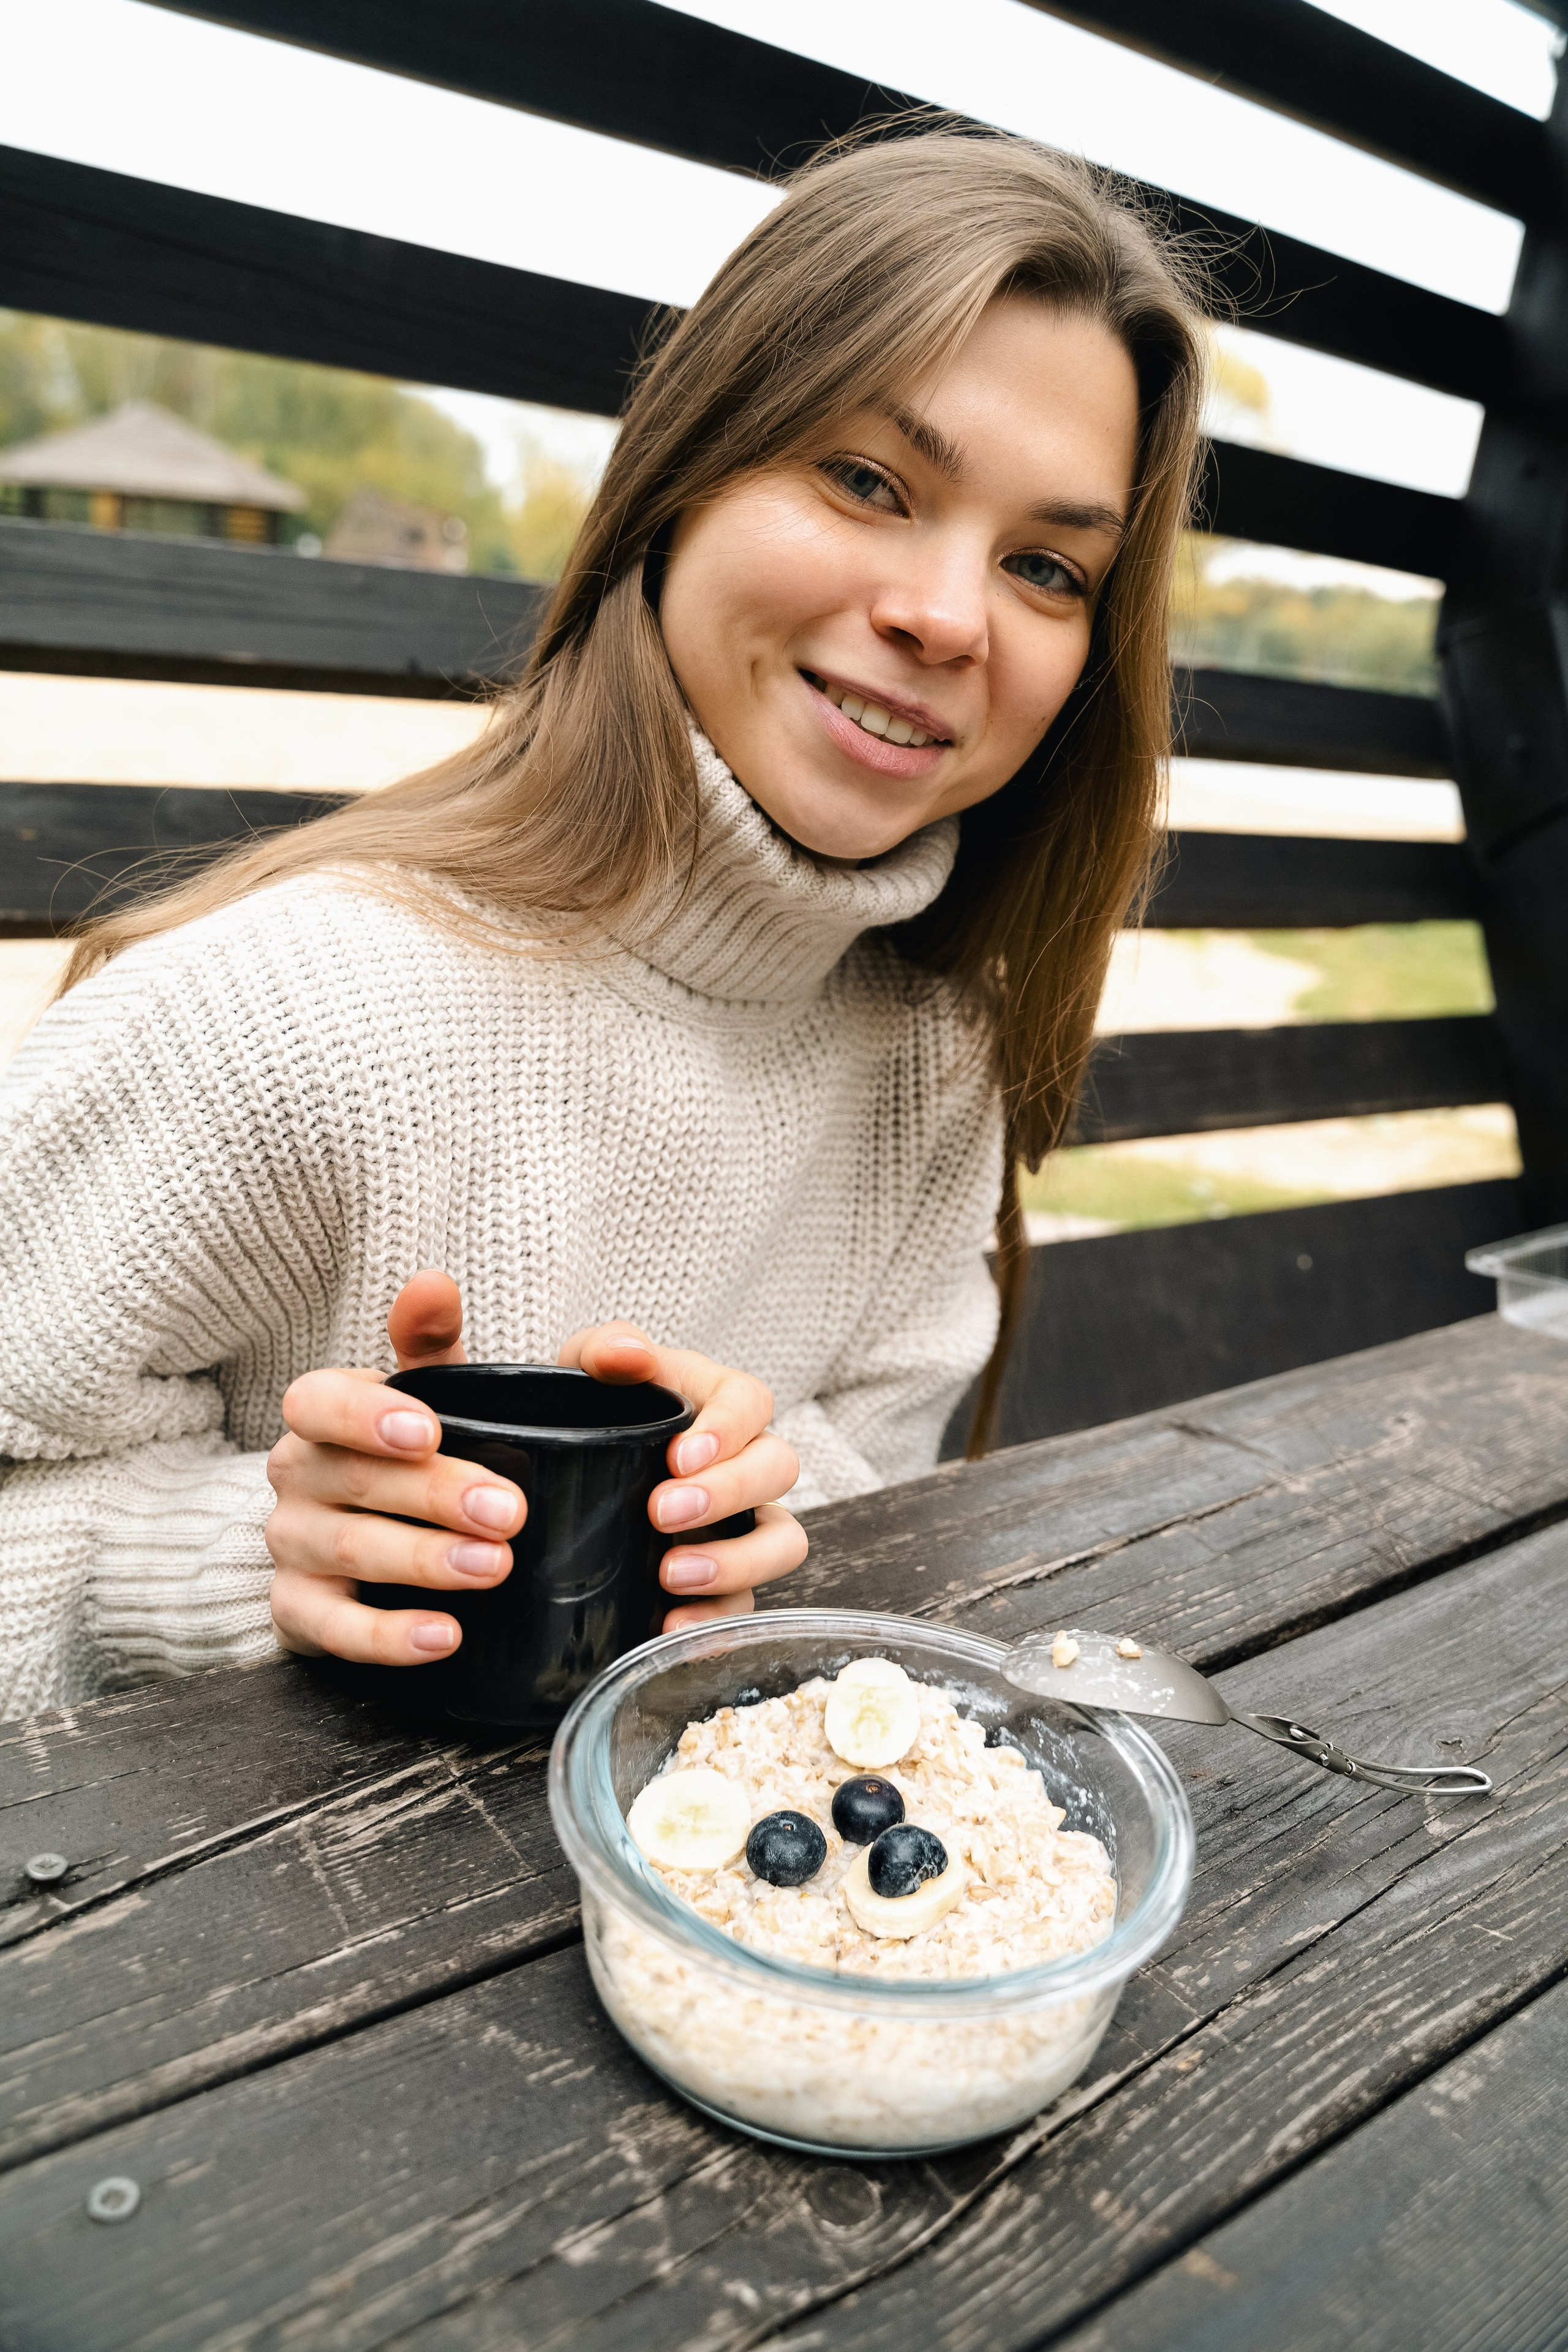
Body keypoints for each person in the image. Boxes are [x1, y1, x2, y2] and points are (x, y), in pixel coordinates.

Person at [0, 129, 1206, 1718]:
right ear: (683, 475)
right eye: (866, 481)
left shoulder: (937, 1069)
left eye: (1047, 565)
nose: (949, 615)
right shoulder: (288, 1006)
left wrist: (772, 1527)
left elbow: (880, 1512)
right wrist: (241, 1557)